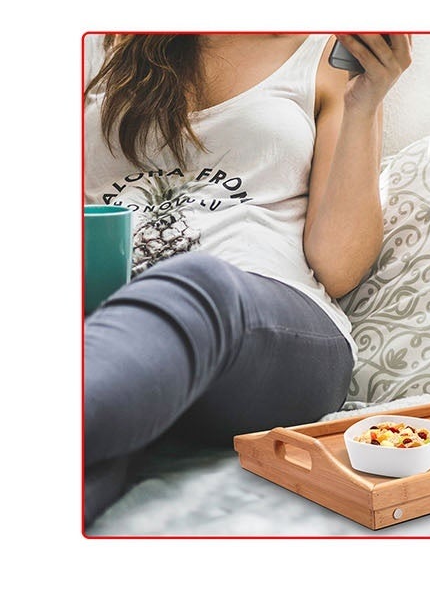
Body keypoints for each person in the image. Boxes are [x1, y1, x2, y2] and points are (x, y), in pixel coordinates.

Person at [83, 32, 412, 526]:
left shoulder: (324, 56)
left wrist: (364, 104)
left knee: (198, 283)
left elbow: (338, 265)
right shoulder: (105, 45)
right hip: (114, 325)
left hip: (266, 321)